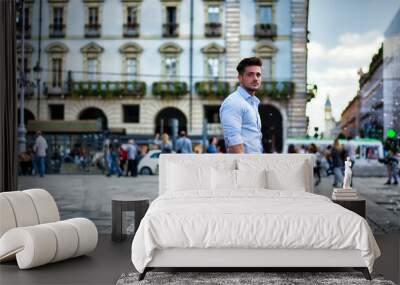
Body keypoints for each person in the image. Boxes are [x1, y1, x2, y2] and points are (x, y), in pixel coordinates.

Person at [220, 57, 263, 154]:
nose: (255, 78)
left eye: (258, 75)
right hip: (246, 166)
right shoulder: (233, 102)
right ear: (240, 78)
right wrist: (246, 168)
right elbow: (234, 144)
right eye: (250, 75)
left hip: (254, 164)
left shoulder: (252, 103)